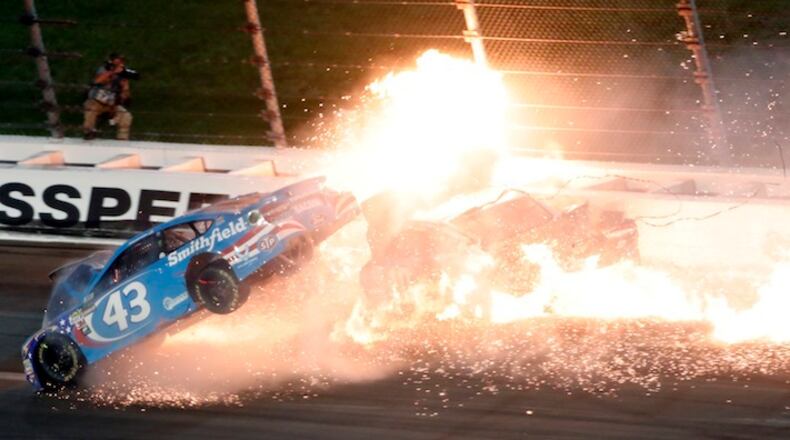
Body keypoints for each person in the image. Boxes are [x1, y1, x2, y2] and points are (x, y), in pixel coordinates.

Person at [82, 53, 133, 140]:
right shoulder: (103, 69)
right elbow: (98, 80)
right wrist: (113, 73)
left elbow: (126, 96)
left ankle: (122, 139)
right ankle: (88, 132)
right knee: (91, 109)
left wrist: (125, 89)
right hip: (96, 101)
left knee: (126, 116)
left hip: (111, 105)